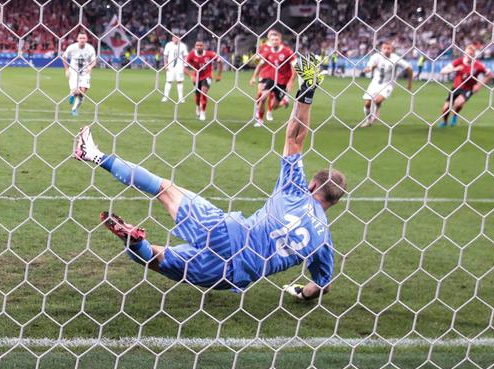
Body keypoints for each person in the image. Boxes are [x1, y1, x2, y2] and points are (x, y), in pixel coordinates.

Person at [73, 53, 344, 299]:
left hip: (230, 234)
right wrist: (302, 292)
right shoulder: (322, 239)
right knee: (159, 260)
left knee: (164, 190)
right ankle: (134, 240)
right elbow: (322, 285)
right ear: (334, 201)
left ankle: (93, 154)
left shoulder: (296, 191)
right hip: (237, 274)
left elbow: (295, 137)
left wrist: (307, 90)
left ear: (313, 184)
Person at [359, 40, 414, 127]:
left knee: (377, 100)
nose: (386, 50)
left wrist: (410, 84)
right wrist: (369, 69)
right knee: (367, 104)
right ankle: (368, 121)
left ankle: (377, 109)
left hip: (388, 84)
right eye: (384, 48)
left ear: (392, 50)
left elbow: (409, 69)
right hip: (375, 83)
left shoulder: (396, 58)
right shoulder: (376, 56)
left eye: (389, 48)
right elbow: (370, 66)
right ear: (381, 49)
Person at [437, 43, 491, 128]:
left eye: (471, 54)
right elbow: (442, 71)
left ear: (474, 55)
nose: (469, 56)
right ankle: (445, 122)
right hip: (455, 88)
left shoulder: (478, 65)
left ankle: (455, 116)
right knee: (445, 109)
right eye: (467, 54)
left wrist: (479, 85)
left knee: (459, 102)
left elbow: (489, 75)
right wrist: (455, 69)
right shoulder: (459, 62)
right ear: (464, 54)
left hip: (468, 89)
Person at [252, 30, 294, 127]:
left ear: (280, 40)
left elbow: (293, 66)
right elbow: (259, 62)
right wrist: (254, 76)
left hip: (282, 81)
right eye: (272, 39)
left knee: (274, 105)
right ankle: (260, 119)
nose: (274, 41)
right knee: (262, 97)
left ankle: (281, 103)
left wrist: (291, 81)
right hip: (268, 76)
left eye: (276, 39)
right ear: (269, 38)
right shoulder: (265, 48)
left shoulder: (287, 51)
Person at [61, 30, 97, 116]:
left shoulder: (90, 48)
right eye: (80, 38)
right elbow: (64, 57)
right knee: (76, 91)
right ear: (77, 39)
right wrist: (66, 70)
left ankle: (74, 109)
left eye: (84, 38)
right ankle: (73, 94)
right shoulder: (72, 47)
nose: (82, 39)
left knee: (82, 94)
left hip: (85, 72)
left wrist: (90, 67)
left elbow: (94, 61)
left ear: (87, 39)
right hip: (74, 72)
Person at [185, 39, 220, 121]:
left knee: (204, 92)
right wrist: (191, 75)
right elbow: (185, 68)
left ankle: (203, 113)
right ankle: (197, 106)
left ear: (203, 46)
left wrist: (219, 75)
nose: (199, 47)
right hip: (196, 77)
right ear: (195, 47)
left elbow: (220, 62)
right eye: (197, 45)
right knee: (197, 95)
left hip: (207, 76)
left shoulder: (209, 54)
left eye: (201, 45)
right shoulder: (191, 55)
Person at [160, 31, 190, 104]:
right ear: (172, 38)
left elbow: (186, 56)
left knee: (179, 82)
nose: (176, 39)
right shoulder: (168, 45)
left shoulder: (183, 46)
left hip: (179, 67)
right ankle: (165, 97)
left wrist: (185, 65)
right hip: (170, 67)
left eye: (177, 37)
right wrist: (165, 64)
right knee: (169, 81)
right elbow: (165, 55)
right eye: (174, 37)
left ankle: (181, 98)